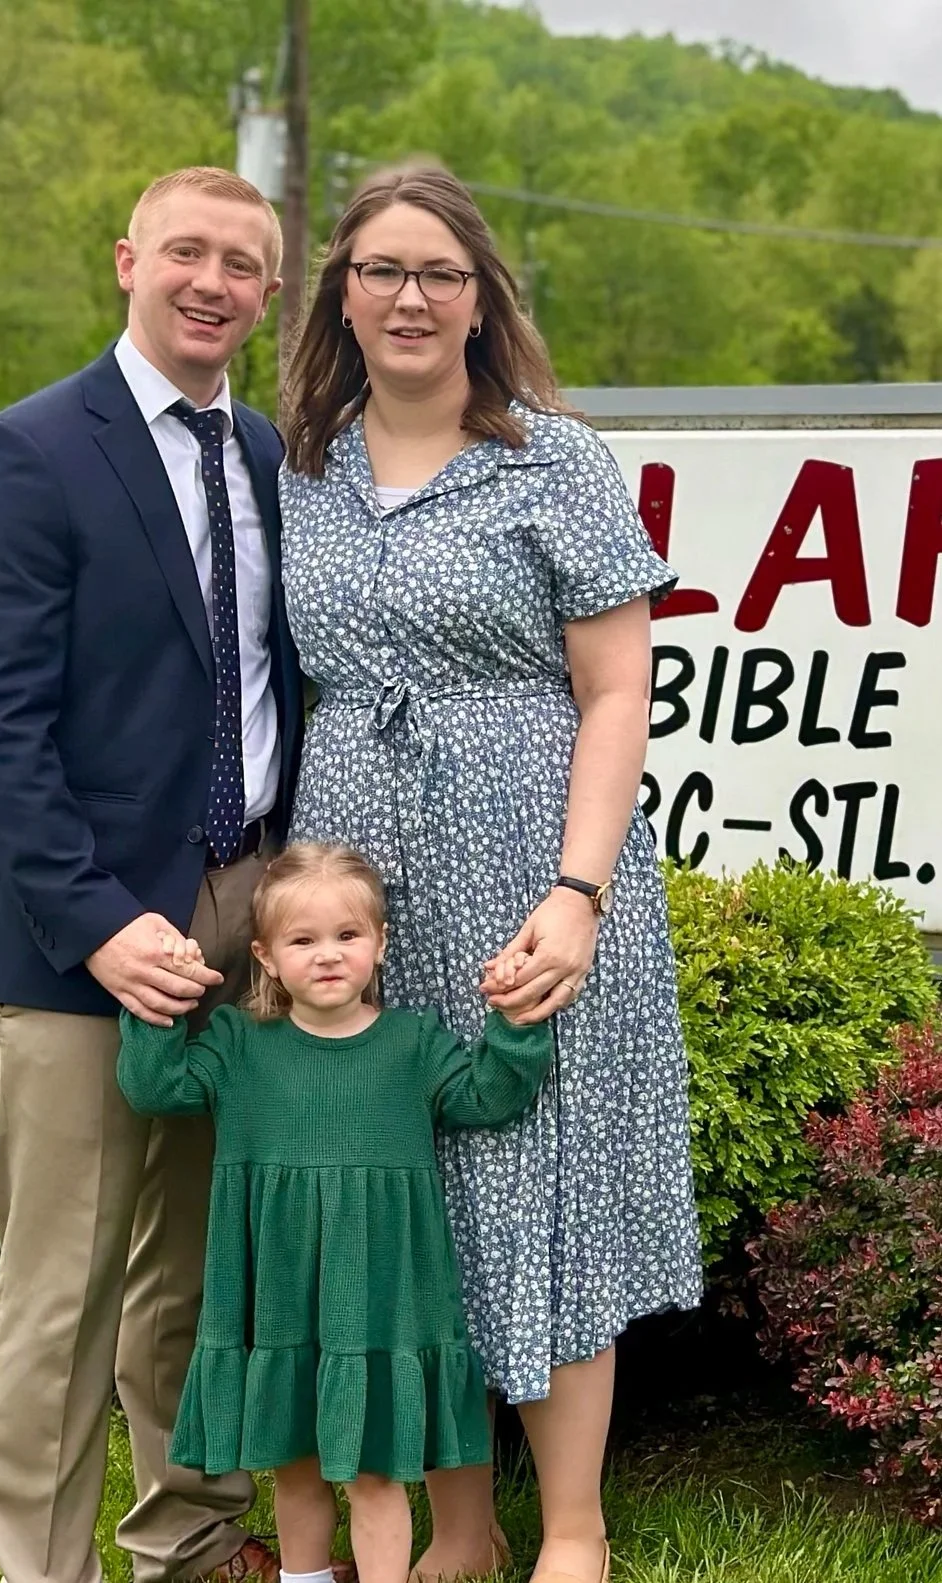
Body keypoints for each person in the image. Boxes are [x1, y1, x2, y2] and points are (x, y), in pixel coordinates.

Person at [278, 165, 705, 1583]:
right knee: (405, 1178)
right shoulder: (298, 463)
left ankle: (570, 1523)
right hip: (357, 870)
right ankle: (457, 1523)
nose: (408, 297)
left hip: (530, 848)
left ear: (479, 297)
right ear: (340, 291)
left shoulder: (553, 461)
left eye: (437, 273)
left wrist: (576, 892)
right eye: (381, 269)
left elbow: (616, 693)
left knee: (541, 1173)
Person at [0, 167, 305, 1583]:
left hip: (236, 908)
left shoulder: (267, 454)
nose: (211, 280)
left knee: (191, 1275)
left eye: (242, 263)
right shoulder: (29, 450)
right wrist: (100, 925)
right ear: (128, 258)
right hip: (74, 932)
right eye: (186, 251)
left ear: (269, 293)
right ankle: (40, 1562)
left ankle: (190, 1537)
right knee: (62, 1286)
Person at [118, 842, 554, 1583]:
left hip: (379, 1307)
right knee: (296, 1468)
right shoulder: (237, 1044)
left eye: (348, 935)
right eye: (303, 939)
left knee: (375, 1472)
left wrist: (514, 1022)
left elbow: (489, 1095)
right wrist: (157, 1006)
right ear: (265, 955)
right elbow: (155, 1090)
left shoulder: (412, 1045)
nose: (328, 955)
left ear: (381, 943)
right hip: (282, 1300)